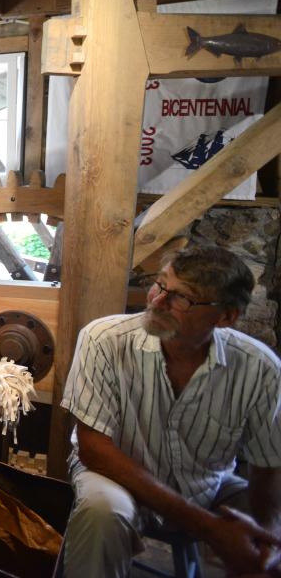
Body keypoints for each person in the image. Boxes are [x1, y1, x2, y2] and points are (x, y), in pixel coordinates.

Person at [61, 245, 281, 577]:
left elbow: (268, 467)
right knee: (102, 512)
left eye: (183, 298)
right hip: (115, 477)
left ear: (226, 316)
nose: (157, 301)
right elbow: (95, 450)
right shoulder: (104, 339)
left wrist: (266, 536)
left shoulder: (260, 368)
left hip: (207, 485)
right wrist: (208, 527)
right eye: (161, 284)